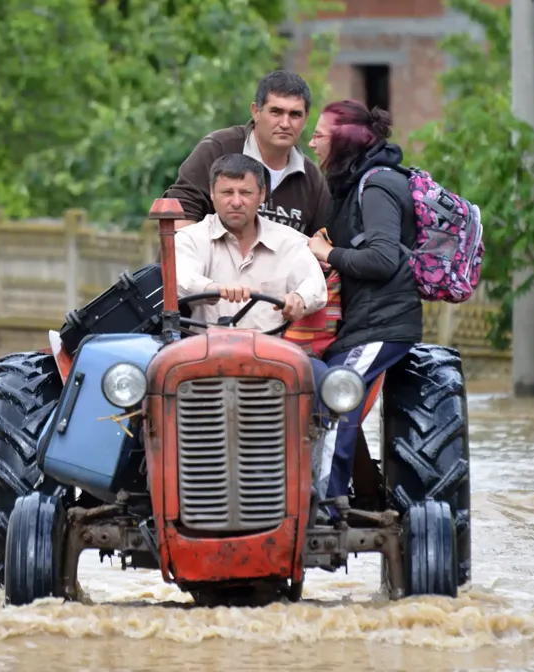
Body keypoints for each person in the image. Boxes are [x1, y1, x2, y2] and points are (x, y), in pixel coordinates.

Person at [304, 99, 424, 507]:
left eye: (319, 134)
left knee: (338, 396)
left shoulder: (377, 184)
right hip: (364, 322)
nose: (312, 141)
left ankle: (328, 506)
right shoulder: (353, 181)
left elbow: (382, 258)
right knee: (327, 391)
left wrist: (325, 253)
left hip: (384, 324)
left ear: (343, 140)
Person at [162, 70, 330, 237]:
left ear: (306, 118)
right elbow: (179, 214)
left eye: (295, 114)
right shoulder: (218, 149)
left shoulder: (312, 179)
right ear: (256, 111)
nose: (285, 123)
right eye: (276, 112)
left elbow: (321, 242)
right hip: (202, 261)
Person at [174, 153, 327, 335]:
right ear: (212, 193)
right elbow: (181, 281)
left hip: (272, 354)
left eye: (245, 193)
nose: (236, 202)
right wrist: (214, 289)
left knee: (323, 366)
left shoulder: (290, 241)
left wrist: (299, 298)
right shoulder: (190, 238)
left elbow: (314, 285)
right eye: (227, 193)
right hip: (205, 352)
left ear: (262, 195)